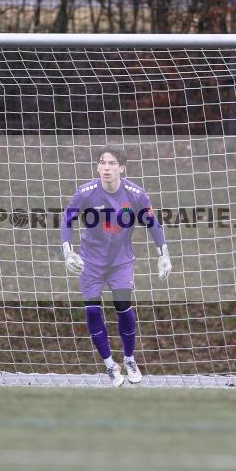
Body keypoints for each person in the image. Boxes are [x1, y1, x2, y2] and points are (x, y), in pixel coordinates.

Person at [61, 146, 171, 387]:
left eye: (111, 163)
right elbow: (67, 217)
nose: (106, 167)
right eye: (102, 163)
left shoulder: (136, 194)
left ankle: (129, 359)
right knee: (92, 311)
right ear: (98, 167)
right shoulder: (86, 193)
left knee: (123, 307)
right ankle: (110, 364)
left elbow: (152, 223)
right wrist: (67, 250)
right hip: (90, 263)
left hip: (121, 262)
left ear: (121, 168)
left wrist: (163, 253)